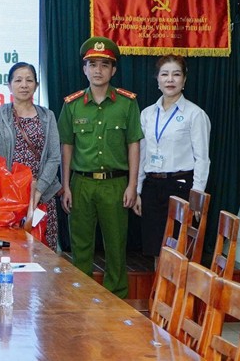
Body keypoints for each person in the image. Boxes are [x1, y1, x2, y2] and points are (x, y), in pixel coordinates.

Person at [58, 36, 143, 299]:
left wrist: (132, 185)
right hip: (81, 183)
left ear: (113, 70)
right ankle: (81, 298)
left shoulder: (127, 103)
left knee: (116, 246)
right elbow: (66, 147)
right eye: (92, 64)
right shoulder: (72, 105)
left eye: (104, 65)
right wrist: (66, 186)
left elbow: (133, 145)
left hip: (115, 184)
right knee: (81, 246)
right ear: (84, 69)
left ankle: (116, 299)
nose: (98, 70)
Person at [134, 55, 211, 260]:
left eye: (176, 74)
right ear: (157, 80)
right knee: (155, 249)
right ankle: (160, 283)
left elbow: (202, 159)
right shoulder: (147, 114)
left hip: (181, 187)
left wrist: (197, 196)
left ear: (184, 80)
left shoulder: (195, 114)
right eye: (165, 74)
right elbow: (142, 155)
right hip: (152, 187)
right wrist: (138, 190)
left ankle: (178, 284)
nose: (170, 79)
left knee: (179, 252)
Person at [0, 62, 61, 251]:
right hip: (9, 197)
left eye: (29, 80)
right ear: (9, 85)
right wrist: (10, 188)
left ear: (36, 85)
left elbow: (54, 157)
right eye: (18, 80)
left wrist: (38, 191)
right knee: (11, 250)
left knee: (43, 252)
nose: (24, 85)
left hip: (42, 195)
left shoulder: (48, 116)